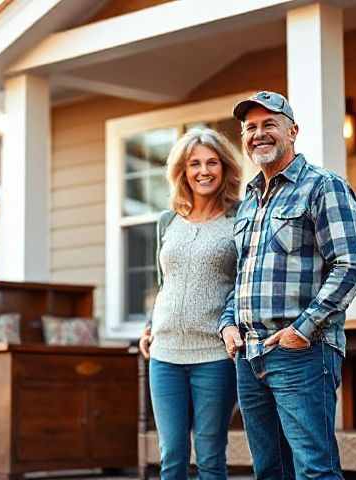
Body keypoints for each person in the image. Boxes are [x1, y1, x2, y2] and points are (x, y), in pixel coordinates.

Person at [218, 91, 356, 480]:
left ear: (293, 131)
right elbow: (244, 275)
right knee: (269, 470)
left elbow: (351, 266)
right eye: (250, 127)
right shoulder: (249, 201)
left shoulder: (323, 186)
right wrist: (228, 323)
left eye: (270, 124)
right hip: (249, 354)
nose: (259, 134)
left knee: (313, 469)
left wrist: (302, 331)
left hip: (302, 353)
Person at [139, 128, 242, 480]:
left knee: (211, 456)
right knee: (172, 456)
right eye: (194, 163)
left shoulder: (240, 220)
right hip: (164, 354)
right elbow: (164, 283)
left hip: (214, 355)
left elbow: (243, 285)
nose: (204, 171)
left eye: (212, 162)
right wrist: (149, 327)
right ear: (182, 171)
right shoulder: (167, 221)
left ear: (225, 168)